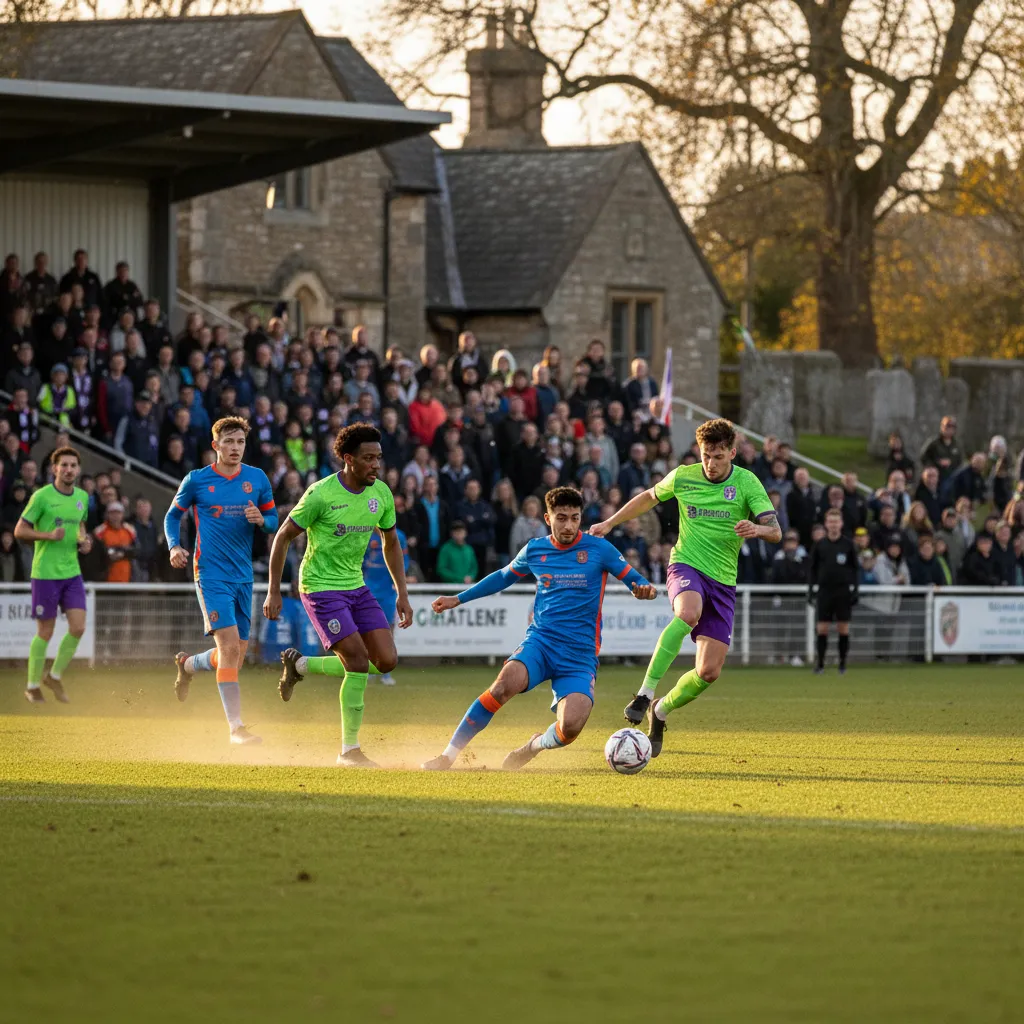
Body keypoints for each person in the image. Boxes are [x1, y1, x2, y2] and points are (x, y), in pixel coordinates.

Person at [421, 486, 656, 770]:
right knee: (501, 687)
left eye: (574, 517)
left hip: (579, 656)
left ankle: (534, 745)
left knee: (569, 728)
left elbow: (636, 580)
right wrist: (458, 598)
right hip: (541, 643)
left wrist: (644, 590)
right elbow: (501, 577)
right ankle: (447, 756)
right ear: (548, 518)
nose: (568, 525)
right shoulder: (535, 549)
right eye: (561, 518)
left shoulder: (600, 548)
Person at [590, 418, 780, 756]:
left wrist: (757, 528)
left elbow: (775, 530)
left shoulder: (747, 482)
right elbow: (648, 497)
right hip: (686, 564)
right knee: (688, 612)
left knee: (708, 672)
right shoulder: (683, 476)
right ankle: (644, 693)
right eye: (706, 455)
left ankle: (660, 710)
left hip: (722, 581)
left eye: (719, 456)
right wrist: (609, 522)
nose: (711, 463)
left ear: (732, 453)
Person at [266, 424, 412, 768]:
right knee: (358, 661)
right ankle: (349, 751)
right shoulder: (321, 494)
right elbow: (282, 537)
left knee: (386, 661)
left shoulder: (382, 495)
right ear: (348, 459)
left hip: (355, 586)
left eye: (378, 458)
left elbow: (391, 543)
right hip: (319, 587)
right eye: (368, 458)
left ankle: (300, 665)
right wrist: (274, 590)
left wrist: (401, 593)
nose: (376, 465)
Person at [164, 417, 278, 746]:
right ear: (216, 446)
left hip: (243, 575)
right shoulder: (197, 480)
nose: (235, 448)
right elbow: (172, 515)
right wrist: (174, 546)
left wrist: (264, 521)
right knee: (229, 648)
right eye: (229, 442)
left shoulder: (256, 478)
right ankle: (236, 729)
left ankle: (188, 665)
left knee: (234, 656)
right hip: (210, 574)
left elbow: (273, 521)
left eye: (240, 442)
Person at [13, 447, 91, 703]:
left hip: (72, 573)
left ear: (78, 470)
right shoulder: (41, 497)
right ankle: (32, 685)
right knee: (45, 632)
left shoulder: (82, 497)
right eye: (64, 465)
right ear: (54, 469)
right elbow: (19, 531)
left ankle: (54, 676)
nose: (69, 470)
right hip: (45, 573)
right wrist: (47, 535)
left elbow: (80, 524)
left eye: (73, 465)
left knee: (78, 628)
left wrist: (84, 540)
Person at [807, 508, 859, 674]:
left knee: (843, 628)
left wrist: (856, 590)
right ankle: (820, 664)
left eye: (836, 521)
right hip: (825, 591)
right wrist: (810, 590)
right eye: (831, 521)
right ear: (826, 524)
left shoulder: (848, 545)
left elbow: (855, 569)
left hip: (842, 591)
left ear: (841, 524)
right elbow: (812, 569)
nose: (834, 525)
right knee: (822, 628)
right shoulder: (820, 545)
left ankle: (842, 664)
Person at [361, 525, 410, 686]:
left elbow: (404, 560)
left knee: (388, 629)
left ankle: (386, 672)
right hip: (367, 587)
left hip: (388, 589)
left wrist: (399, 581)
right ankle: (368, 669)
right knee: (366, 630)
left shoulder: (399, 536)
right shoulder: (363, 532)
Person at [919, 416, 962, 483]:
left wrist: (950, 462)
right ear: (942, 427)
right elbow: (923, 457)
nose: (949, 430)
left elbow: (959, 460)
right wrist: (936, 463)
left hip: (951, 477)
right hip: (935, 477)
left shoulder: (956, 445)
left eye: (952, 427)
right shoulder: (934, 443)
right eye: (947, 427)